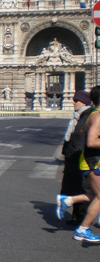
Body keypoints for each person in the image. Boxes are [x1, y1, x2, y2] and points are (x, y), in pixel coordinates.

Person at [57, 85, 100, 242]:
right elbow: (90, 141)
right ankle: (82, 229)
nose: (74, 102)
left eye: (76, 100)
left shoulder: (91, 115)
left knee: (95, 194)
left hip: (87, 160)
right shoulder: (96, 116)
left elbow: (81, 133)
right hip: (92, 161)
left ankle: (69, 200)